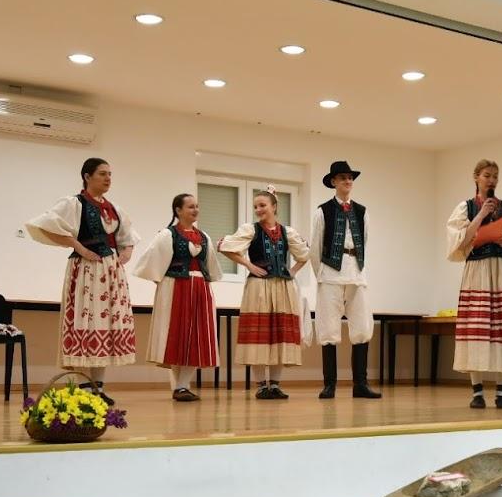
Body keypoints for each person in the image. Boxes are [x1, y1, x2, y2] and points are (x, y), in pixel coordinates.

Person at [25, 157, 138, 404]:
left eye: (110, 174)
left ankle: (98, 388)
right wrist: (79, 247)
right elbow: (46, 226)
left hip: (110, 272)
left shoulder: (114, 209)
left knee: (104, 325)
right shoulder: (75, 204)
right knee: (86, 322)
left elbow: (128, 238)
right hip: (86, 270)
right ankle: (85, 388)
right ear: (87, 176)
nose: (108, 178)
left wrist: (125, 254)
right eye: (102, 174)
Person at [446, 159, 502, 409]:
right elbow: (458, 244)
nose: (491, 180)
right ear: (476, 177)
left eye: (495, 176)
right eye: (487, 175)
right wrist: (482, 215)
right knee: (478, 327)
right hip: (478, 271)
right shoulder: (465, 208)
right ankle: (477, 392)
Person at [220, 188, 310, 399]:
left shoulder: (287, 232)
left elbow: (305, 254)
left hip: (282, 287)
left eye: (262, 205)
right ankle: (261, 385)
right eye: (256, 206)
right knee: (258, 334)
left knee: (279, 334)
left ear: (274, 206)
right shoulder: (251, 230)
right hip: (258, 287)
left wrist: (293, 271)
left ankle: (275, 385)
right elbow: (225, 247)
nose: (258, 209)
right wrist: (248, 265)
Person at [133, 193, 222, 402]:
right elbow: (152, 265)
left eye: (196, 206)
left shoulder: (204, 237)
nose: (195, 210)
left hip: (200, 288)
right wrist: (165, 286)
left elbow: (211, 267)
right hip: (175, 288)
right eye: (190, 207)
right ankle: (179, 386)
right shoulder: (167, 234)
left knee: (196, 336)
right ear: (178, 210)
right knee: (177, 335)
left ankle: (182, 386)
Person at [309, 161, 381, 399]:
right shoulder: (322, 211)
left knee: (362, 326)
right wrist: (322, 275)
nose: (347, 181)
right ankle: (329, 385)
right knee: (328, 328)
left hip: (356, 274)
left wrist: (358, 267)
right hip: (330, 274)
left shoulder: (362, 211)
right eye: (342, 178)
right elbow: (315, 248)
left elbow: (365, 242)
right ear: (333, 182)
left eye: (350, 178)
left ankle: (360, 384)